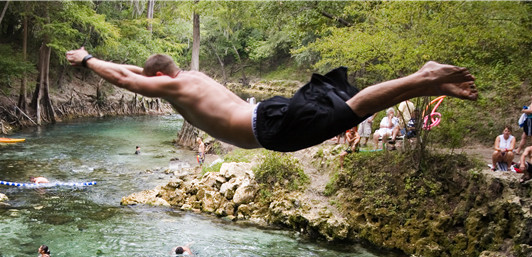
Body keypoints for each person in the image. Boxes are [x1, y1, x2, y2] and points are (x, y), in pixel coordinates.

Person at [66, 48, 477, 153]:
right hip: (268, 115)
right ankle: (429, 84)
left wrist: (86, 60)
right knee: (349, 104)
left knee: (351, 112)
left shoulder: (176, 88)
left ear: (158, 77)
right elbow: (133, 71)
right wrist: (102, 61)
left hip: (268, 129)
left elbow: (127, 79)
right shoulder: (187, 78)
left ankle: (426, 76)